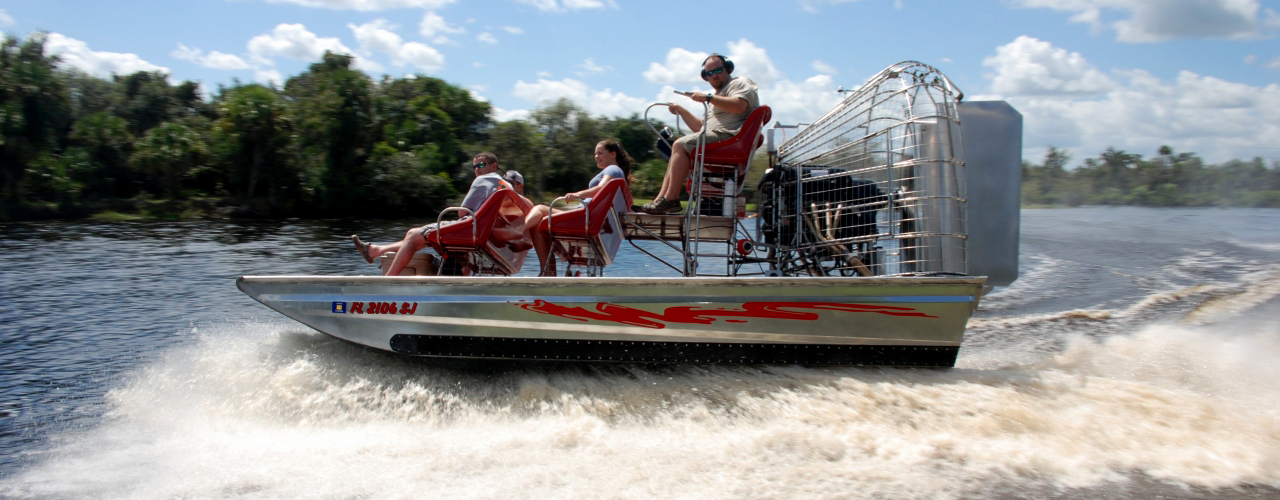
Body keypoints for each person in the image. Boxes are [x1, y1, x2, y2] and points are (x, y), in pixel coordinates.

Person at [351, 152, 524, 276]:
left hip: (475, 232)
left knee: (413, 235)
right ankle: (376, 250)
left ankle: (387, 282)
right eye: (474, 166)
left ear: (494, 166)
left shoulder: (483, 180)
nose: (477, 170)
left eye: (481, 165)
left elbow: (463, 212)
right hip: (491, 239)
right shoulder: (507, 186)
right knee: (431, 237)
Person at [637, 53, 759, 215]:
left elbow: (739, 105)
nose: (714, 75)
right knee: (677, 150)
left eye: (718, 70)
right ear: (705, 77)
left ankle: (671, 200)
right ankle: (660, 200)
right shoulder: (719, 97)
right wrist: (681, 110)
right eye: (709, 73)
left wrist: (709, 98)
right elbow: (701, 128)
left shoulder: (739, 83)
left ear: (728, 68)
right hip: (720, 137)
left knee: (680, 144)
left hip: (731, 138)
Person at [524, 140, 634, 276]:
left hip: (585, 218)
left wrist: (577, 195)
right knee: (540, 222)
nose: (596, 156)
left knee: (540, 209)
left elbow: (601, 189)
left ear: (612, 154)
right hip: (588, 218)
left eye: (600, 153)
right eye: (595, 154)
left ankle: (519, 233)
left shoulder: (613, 169)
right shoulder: (617, 172)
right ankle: (547, 271)